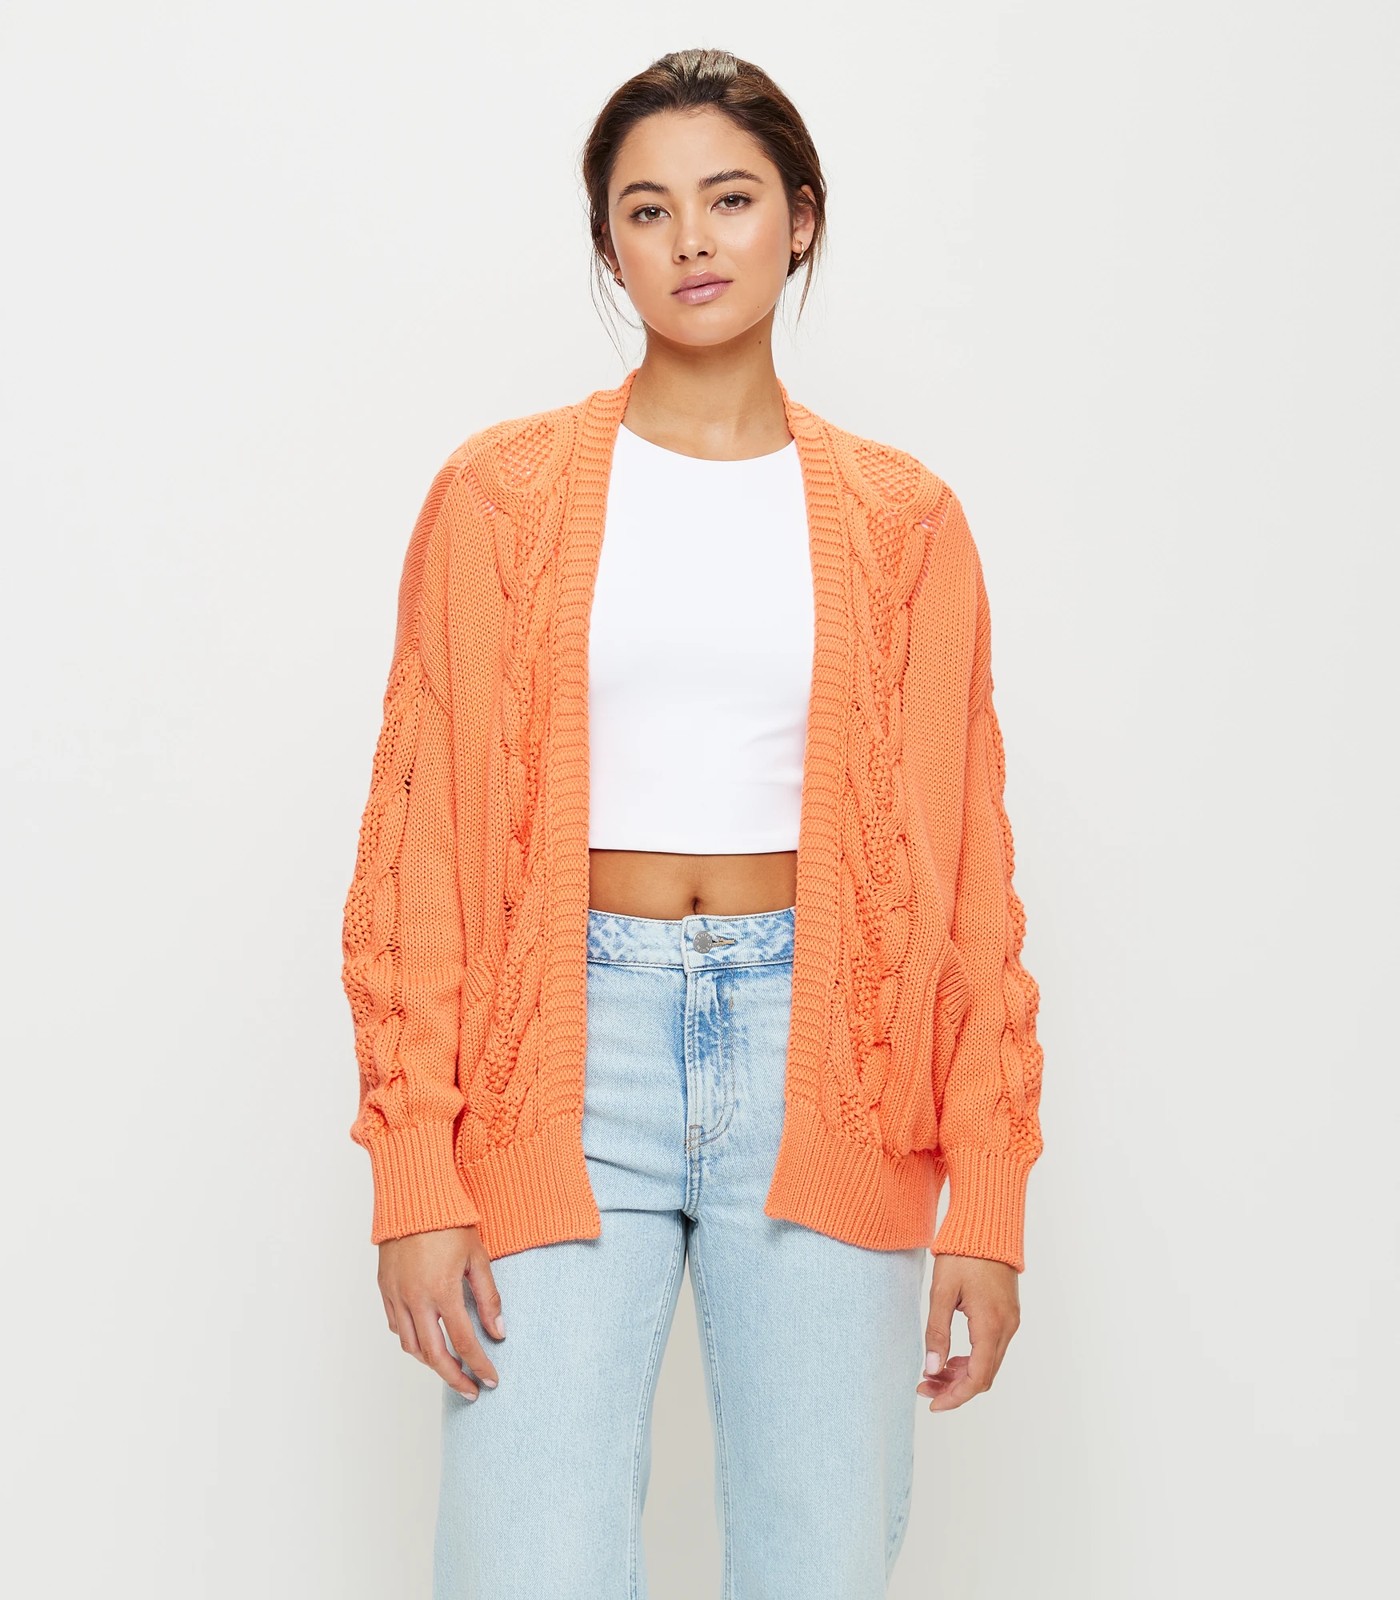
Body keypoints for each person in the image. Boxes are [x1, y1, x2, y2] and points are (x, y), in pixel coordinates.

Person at [339, 46, 1046, 1600]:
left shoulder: (907, 523)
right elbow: (418, 854)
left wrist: (988, 1202)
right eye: (647, 211)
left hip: (829, 1056)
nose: (692, 241)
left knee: (818, 1560)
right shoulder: (498, 498)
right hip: (559, 1054)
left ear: (801, 218)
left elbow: (968, 883)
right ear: (610, 249)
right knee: (526, 1560)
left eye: (729, 199)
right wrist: (416, 1172)